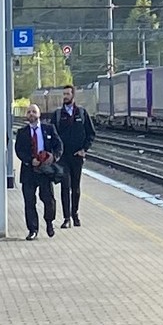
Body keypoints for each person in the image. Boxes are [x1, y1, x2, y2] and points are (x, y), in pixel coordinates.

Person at [13, 96, 60, 237]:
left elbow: (59, 145)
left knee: (48, 199)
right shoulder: (22, 133)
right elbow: (19, 150)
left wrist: (54, 157)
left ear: (39, 114)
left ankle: (50, 222)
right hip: (29, 171)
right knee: (29, 201)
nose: (31, 114)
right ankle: (33, 229)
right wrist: (29, 160)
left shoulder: (49, 129)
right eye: (28, 112)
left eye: (34, 111)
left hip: (45, 170)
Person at [55, 87, 94, 228]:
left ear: (73, 95)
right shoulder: (58, 114)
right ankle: (66, 218)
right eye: (63, 94)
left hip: (77, 156)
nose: (65, 96)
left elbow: (91, 133)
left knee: (75, 187)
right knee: (65, 186)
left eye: (67, 94)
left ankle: (75, 214)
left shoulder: (82, 113)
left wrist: (84, 149)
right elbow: (53, 135)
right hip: (63, 157)